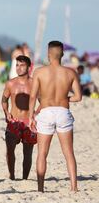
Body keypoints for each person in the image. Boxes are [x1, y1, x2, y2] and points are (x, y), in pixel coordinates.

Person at [29, 41, 82, 192]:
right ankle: (74, 186)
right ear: (63, 54)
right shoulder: (70, 73)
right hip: (63, 112)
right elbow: (78, 97)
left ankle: (40, 188)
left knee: (42, 153)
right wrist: (65, 99)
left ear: (48, 54)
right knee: (68, 152)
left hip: (45, 111)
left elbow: (33, 97)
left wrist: (31, 115)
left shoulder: (39, 72)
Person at [2, 56, 37, 180]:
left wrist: (36, 113)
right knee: (10, 150)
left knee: (27, 154)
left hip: (29, 122)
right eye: (17, 65)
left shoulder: (34, 83)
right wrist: (6, 112)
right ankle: (12, 176)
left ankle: (24, 178)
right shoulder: (11, 83)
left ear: (29, 67)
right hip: (14, 121)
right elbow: (4, 99)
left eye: (22, 65)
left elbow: (44, 101)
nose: (18, 68)